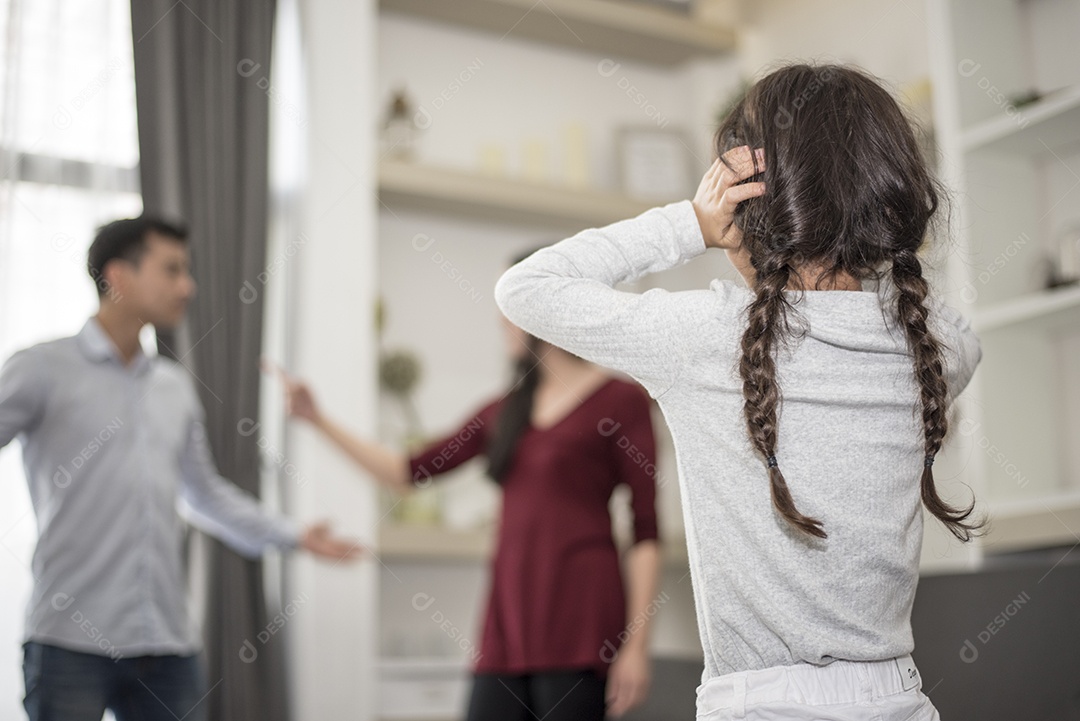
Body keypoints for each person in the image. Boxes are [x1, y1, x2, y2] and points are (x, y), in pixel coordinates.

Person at [493, 63, 984, 720]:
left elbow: (526, 288)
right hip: (900, 699)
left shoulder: (707, 338)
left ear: (753, 199)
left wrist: (692, 222)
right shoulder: (929, 349)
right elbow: (948, 327)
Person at [0, 217, 359, 721]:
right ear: (119, 277)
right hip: (68, 642)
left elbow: (204, 494)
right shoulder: (40, 369)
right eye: (172, 270)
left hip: (166, 646)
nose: (187, 286)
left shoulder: (173, 386)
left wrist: (293, 535)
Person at [274, 263, 662, 721]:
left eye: (510, 308)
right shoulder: (505, 411)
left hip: (581, 622)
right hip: (508, 623)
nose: (501, 322)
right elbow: (407, 470)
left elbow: (645, 531)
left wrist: (636, 646)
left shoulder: (622, 400)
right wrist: (317, 419)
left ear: (544, 307)